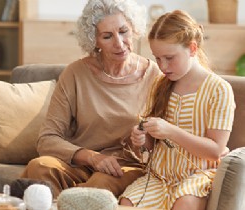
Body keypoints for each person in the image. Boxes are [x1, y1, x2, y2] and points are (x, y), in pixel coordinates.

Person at [20, 0, 161, 199]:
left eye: (123, 31)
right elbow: (47, 139)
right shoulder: (75, 74)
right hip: (82, 162)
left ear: (134, 28)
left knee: (98, 186)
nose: (119, 43)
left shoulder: (154, 75)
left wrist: (144, 140)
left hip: (126, 167)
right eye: (107, 36)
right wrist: (92, 157)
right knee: (39, 166)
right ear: (94, 40)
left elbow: (165, 137)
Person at [119, 10, 235, 210]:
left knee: (185, 203)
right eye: (157, 58)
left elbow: (216, 150)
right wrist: (142, 140)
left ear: (192, 48)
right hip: (159, 177)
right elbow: (150, 147)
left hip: (197, 177)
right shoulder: (160, 84)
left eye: (169, 57)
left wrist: (171, 131)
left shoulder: (218, 89)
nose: (162, 65)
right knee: (127, 203)